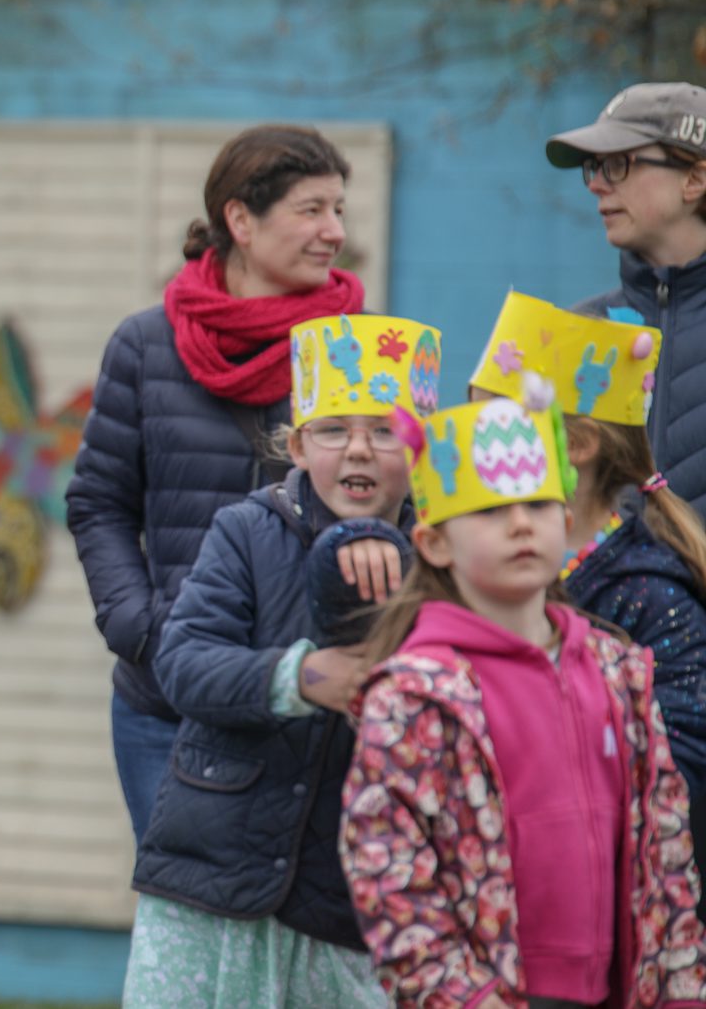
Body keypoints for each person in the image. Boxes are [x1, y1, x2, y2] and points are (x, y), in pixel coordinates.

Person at [342, 393, 706, 1008]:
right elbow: (391, 874)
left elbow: (666, 852)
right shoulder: (415, 696)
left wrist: (679, 990)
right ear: (433, 544)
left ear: (564, 521)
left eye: (537, 504)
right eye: (490, 510)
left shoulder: (619, 674)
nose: (519, 524)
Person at [123, 314, 439, 1006]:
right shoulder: (247, 530)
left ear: (419, 448)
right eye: (333, 430)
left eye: (383, 431)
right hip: (211, 878)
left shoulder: (439, 561)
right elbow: (185, 662)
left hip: (347, 896)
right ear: (297, 446)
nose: (357, 450)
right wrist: (297, 677)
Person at [67, 124, 364, 844]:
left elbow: (402, 504)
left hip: (311, 703)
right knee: (182, 927)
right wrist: (142, 629)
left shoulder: (359, 349)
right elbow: (98, 502)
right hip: (163, 706)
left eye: (339, 210)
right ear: (240, 219)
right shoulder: (146, 345)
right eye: (312, 209)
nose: (333, 232)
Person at [466, 289, 706, 848]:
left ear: (576, 445)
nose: (477, 446)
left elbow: (684, 761)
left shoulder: (650, 596)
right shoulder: (477, 562)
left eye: (497, 427)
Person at [548, 82, 706, 519]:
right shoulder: (575, 331)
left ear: (694, 179)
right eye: (594, 167)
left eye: (618, 164)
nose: (597, 185)